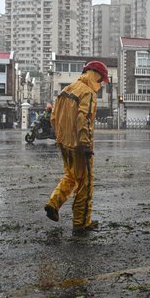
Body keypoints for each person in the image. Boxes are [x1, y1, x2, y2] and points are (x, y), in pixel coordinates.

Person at [44, 61, 109, 236]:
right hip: (80, 146)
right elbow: (84, 118)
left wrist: (61, 137)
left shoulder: (67, 90)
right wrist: (86, 144)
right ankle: (81, 223)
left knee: (71, 176)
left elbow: (53, 117)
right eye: (101, 79)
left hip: (64, 143)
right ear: (95, 75)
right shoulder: (87, 92)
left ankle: (53, 203)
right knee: (85, 184)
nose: (101, 83)